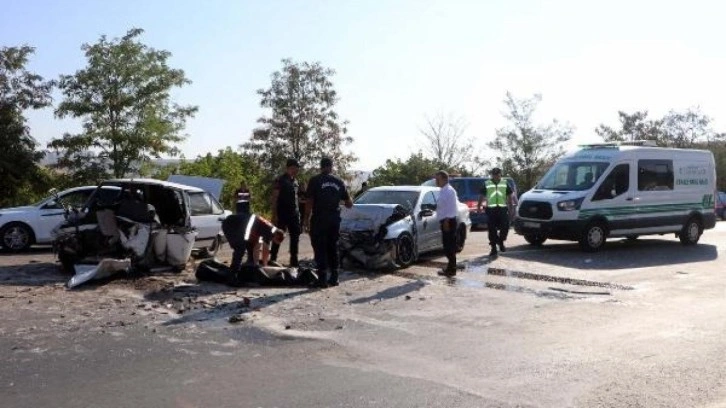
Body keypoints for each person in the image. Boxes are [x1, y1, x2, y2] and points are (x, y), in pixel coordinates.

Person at [304, 157, 353, 288]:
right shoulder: (339, 181)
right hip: (334, 220)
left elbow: (309, 201)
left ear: (321, 167)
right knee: (333, 247)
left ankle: (322, 279)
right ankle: (335, 277)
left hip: (320, 219)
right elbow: (349, 204)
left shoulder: (315, 180)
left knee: (320, 247)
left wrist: (306, 219)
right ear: (331, 167)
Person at [270, 158, 302, 267]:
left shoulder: (296, 181)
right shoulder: (280, 180)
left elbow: (296, 199)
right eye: (293, 168)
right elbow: (275, 198)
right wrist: (274, 215)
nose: (295, 171)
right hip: (282, 213)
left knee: (295, 237)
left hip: (294, 214)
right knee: (278, 236)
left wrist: (299, 213)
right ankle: (273, 258)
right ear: (288, 168)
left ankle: (294, 260)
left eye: (297, 169)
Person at [477, 168, 514, 258]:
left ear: (500, 174)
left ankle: (500, 241)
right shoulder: (487, 183)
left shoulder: (505, 183)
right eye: (494, 174)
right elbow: (481, 196)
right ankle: (493, 248)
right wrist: (479, 206)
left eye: (498, 174)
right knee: (492, 229)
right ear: (492, 175)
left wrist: (511, 208)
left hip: (502, 209)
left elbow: (510, 196)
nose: (496, 176)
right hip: (491, 209)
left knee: (505, 227)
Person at [435, 171, 460, 277]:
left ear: (445, 179)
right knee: (447, 246)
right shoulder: (443, 190)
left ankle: (452, 269)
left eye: (438, 179)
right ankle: (450, 268)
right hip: (445, 220)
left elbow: (451, 208)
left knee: (449, 246)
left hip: (448, 221)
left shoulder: (449, 191)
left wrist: (446, 221)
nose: (436, 181)